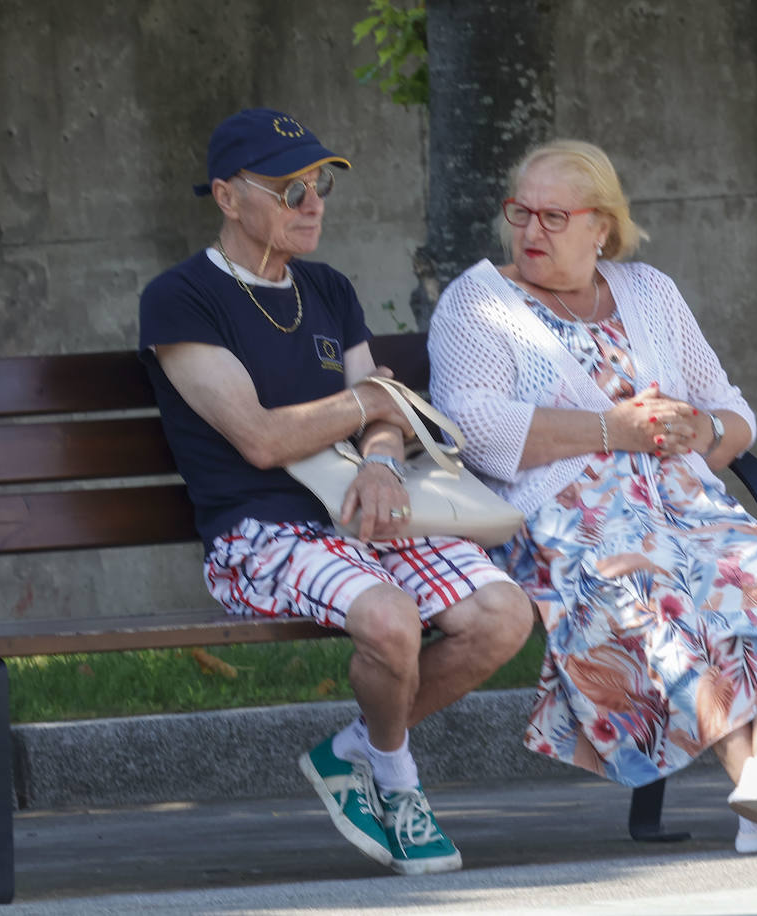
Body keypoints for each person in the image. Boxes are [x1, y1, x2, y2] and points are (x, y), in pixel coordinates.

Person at [427, 139, 757, 854]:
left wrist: (702, 428)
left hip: (683, 506)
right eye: (521, 213)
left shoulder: (648, 292)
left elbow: (733, 412)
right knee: (642, 583)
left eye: (552, 216)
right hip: (562, 522)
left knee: (754, 557)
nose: (530, 231)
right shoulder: (479, 303)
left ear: (599, 226)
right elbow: (475, 429)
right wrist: (614, 429)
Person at [138, 108, 533, 875]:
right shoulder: (181, 299)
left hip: (360, 511)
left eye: (318, 183)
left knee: (503, 613)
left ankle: (354, 747)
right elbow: (258, 436)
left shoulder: (326, 289)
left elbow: (384, 415)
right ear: (227, 197)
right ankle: (397, 781)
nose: (313, 202)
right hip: (258, 533)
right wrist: (367, 409)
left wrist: (382, 461)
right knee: (390, 622)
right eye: (289, 189)